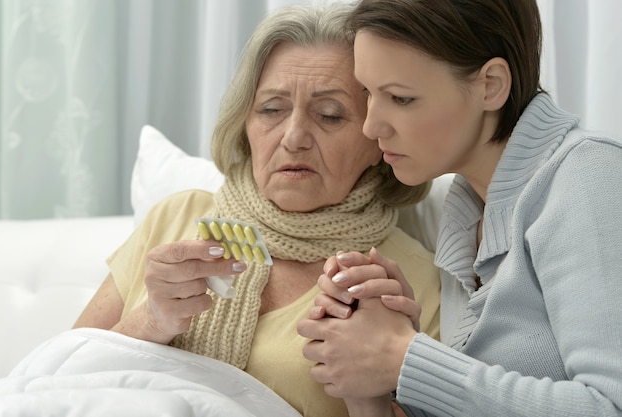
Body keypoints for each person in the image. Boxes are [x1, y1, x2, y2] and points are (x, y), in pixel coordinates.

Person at [73, 4, 441, 417]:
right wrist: (151, 323)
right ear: (244, 124)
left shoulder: (409, 282)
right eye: (271, 109)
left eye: (330, 115)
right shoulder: (176, 216)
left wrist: (366, 396)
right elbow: (64, 377)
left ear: (377, 140)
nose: (295, 137)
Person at [297, 0, 622, 416]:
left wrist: (404, 359)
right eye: (368, 93)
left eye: (400, 98)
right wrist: (370, 380)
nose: (371, 126)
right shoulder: (467, 208)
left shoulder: (588, 176)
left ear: (491, 85)